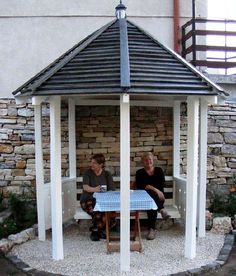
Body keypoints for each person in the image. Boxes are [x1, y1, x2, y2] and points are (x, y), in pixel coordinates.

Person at [80, 153, 115, 241]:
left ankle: (97, 231)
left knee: (108, 209)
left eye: (94, 163)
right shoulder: (88, 173)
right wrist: (95, 189)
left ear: (101, 164)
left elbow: (111, 189)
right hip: (87, 199)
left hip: (103, 200)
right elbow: (85, 187)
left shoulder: (107, 174)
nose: (91, 164)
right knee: (97, 210)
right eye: (91, 162)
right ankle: (98, 231)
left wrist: (106, 194)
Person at [135, 152, 170, 240]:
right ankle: (161, 210)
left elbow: (162, 184)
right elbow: (141, 187)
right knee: (149, 198)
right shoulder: (139, 173)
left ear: (153, 160)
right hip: (145, 199)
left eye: (150, 159)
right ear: (143, 162)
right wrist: (153, 189)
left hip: (159, 198)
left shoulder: (159, 170)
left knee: (152, 202)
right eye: (146, 160)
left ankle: (152, 229)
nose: (148, 161)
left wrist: (154, 189)